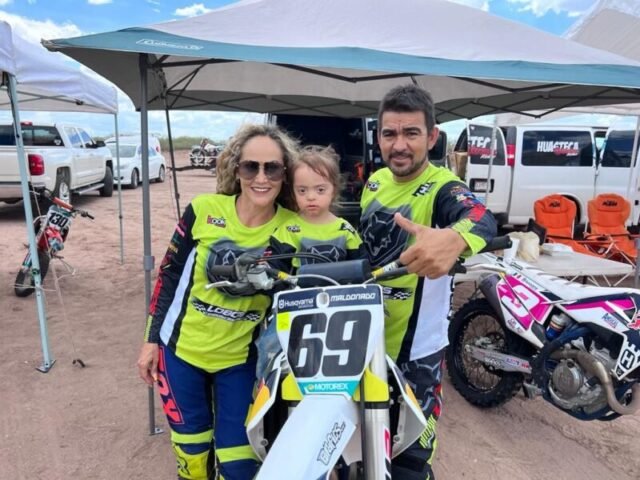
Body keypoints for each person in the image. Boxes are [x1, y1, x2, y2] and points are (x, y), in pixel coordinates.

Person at [136, 124, 298, 480]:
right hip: (180, 353)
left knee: (238, 466)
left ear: (285, 174)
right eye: (250, 167)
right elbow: (168, 276)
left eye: (272, 168)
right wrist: (150, 340)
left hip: (240, 361)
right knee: (193, 458)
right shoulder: (202, 210)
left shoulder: (295, 228)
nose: (261, 177)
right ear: (236, 169)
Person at [359, 84, 497, 480]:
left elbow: (480, 217)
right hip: (365, 343)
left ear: (432, 137)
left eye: (411, 133)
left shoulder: (442, 186)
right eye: (390, 133)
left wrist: (453, 239)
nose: (399, 145)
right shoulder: (375, 182)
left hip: (416, 355)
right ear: (378, 137)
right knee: (363, 452)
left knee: (409, 463)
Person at [256, 145, 366, 376]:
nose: (311, 196)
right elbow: (274, 266)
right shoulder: (289, 229)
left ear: (334, 189)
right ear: (293, 192)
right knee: (269, 345)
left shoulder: (345, 230)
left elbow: (362, 270)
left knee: (364, 347)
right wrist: (268, 274)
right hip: (297, 307)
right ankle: (267, 388)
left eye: (320, 189)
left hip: (340, 308)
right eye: (302, 190)